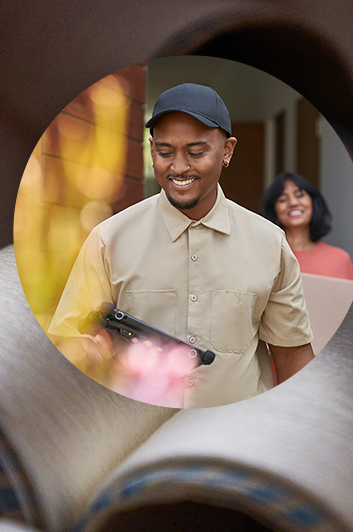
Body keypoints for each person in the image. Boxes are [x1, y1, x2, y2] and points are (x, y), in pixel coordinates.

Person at [48, 83, 314, 408]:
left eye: (196, 152)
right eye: (164, 152)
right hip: (135, 445)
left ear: (227, 150)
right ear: (150, 150)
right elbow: (66, 350)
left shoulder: (270, 243)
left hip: (239, 438)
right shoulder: (107, 240)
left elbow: (293, 357)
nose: (178, 167)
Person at [261, 172, 353, 281]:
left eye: (299, 195)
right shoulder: (261, 260)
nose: (293, 203)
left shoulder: (340, 259)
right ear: (274, 211)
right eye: (283, 199)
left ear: (313, 204)